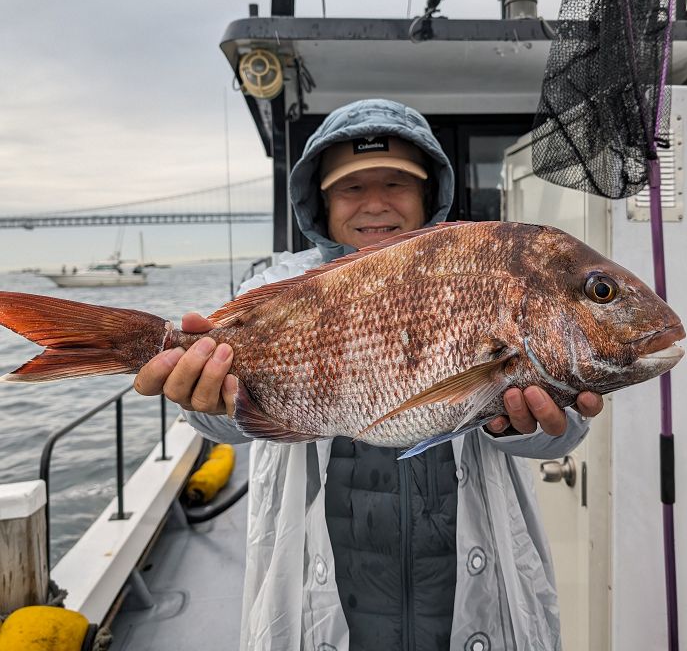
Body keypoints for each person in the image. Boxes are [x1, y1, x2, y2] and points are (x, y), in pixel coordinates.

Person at [134, 99, 603, 651]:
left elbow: (565, 432)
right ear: (323, 202)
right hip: (331, 587)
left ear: (428, 195)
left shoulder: (478, 272)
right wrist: (205, 402)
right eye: (352, 187)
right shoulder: (280, 288)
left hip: (464, 580)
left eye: (396, 184)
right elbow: (230, 426)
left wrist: (522, 424)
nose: (375, 204)